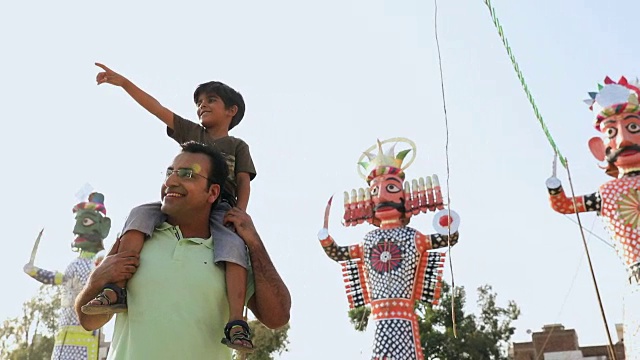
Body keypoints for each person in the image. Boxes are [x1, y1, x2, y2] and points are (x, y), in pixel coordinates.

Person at [81, 63, 257, 351]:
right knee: (139, 215)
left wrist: (241, 214)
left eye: (211, 100)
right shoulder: (192, 133)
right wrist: (124, 83)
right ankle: (117, 289)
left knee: (233, 248)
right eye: (199, 103)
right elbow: (157, 108)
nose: (202, 106)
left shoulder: (237, 145)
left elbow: (243, 181)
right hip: (181, 200)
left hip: (221, 207)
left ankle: (237, 321)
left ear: (232, 110)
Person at [75, 141, 291, 359]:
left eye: (188, 175)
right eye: (170, 172)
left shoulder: (231, 255)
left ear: (213, 192)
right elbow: (89, 321)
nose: (171, 181)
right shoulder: (136, 237)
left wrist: (254, 243)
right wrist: (97, 279)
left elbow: (277, 317)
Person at [545, 76, 640, 358]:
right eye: (612, 132)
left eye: (633, 127)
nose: (623, 139)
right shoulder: (606, 192)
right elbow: (564, 205)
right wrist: (554, 188)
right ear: (601, 147)